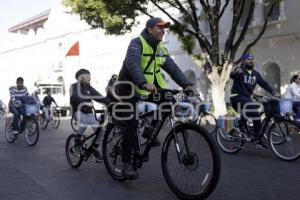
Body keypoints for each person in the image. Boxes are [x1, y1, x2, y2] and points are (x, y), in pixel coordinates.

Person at [115, 17, 196, 179]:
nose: (163, 31)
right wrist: (143, 82)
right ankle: (125, 164)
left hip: (147, 88)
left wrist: (187, 84)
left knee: (169, 98)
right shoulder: (136, 43)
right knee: (131, 123)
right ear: (150, 29)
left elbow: (173, 69)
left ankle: (149, 132)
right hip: (128, 88)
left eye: (164, 28)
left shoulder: (161, 49)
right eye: (160, 27)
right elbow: (132, 64)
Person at [230, 53, 279, 149]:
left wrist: (273, 93)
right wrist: (235, 71)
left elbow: (264, 84)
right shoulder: (240, 71)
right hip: (237, 97)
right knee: (254, 112)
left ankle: (241, 124)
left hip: (246, 99)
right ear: (244, 61)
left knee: (254, 107)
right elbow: (232, 75)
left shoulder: (256, 74)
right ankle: (257, 138)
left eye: (252, 59)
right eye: (248, 59)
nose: (251, 60)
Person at [70, 68, 110, 162]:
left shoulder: (89, 88)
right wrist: (85, 103)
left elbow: (99, 96)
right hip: (78, 112)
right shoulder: (73, 86)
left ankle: (94, 149)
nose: (89, 78)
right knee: (84, 121)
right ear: (80, 77)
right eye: (87, 76)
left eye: (90, 76)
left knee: (101, 130)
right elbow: (75, 96)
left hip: (89, 113)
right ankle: (77, 141)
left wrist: (111, 102)